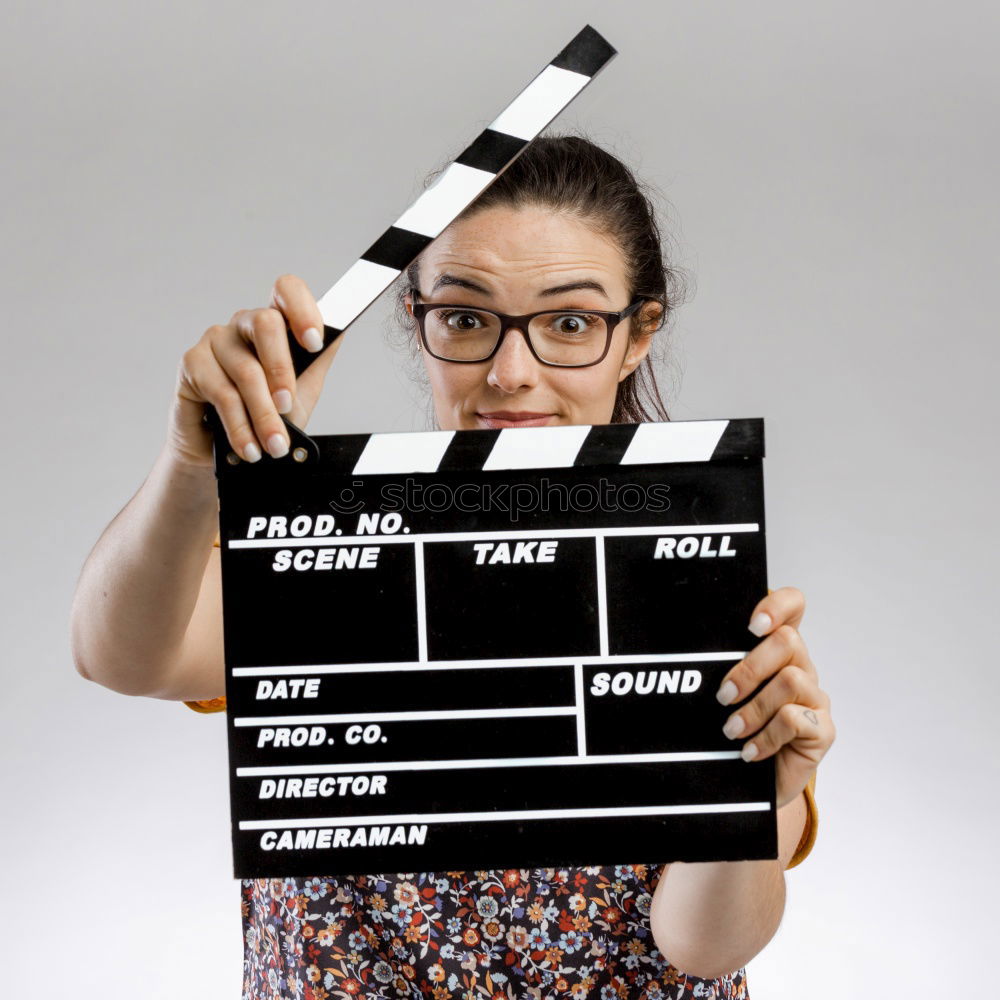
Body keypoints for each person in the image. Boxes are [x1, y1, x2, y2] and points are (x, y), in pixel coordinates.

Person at [70, 134, 835, 1000]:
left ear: (638, 335)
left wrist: (764, 800)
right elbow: (121, 654)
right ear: (419, 322)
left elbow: (701, 947)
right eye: (468, 319)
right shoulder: (318, 557)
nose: (513, 373)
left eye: (571, 323)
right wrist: (192, 464)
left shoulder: (705, 590)